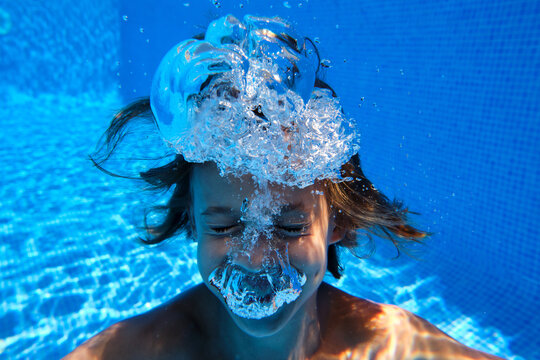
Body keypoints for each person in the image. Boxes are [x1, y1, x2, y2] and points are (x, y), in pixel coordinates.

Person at [64, 14, 504, 360]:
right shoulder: (145, 350)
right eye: (221, 228)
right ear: (191, 222)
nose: (256, 260)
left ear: (339, 222)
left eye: (290, 227)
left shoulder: (389, 344)